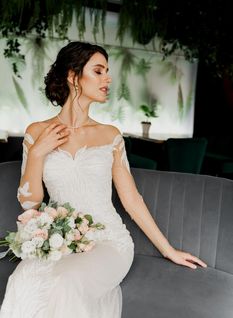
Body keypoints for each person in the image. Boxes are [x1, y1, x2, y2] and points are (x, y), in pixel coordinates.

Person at [0, 41, 207, 318]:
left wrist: (168, 249)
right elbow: (30, 204)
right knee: (23, 281)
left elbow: (131, 199)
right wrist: (37, 153)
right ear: (74, 76)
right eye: (98, 71)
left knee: (66, 283)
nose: (108, 78)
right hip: (61, 242)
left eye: (107, 71)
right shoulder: (37, 132)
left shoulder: (110, 135)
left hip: (109, 242)